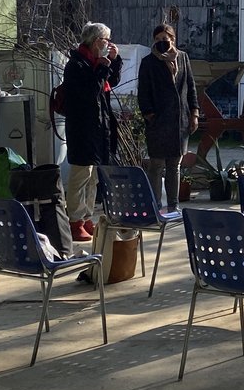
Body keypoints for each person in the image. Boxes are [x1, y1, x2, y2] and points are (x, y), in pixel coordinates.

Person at [63, 22, 124, 242]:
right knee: (80, 176)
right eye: (104, 40)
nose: (108, 44)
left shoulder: (95, 63)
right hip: (82, 128)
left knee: (92, 178)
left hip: (98, 128)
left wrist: (113, 63)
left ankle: (87, 217)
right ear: (94, 41)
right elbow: (91, 92)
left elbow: (111, 82)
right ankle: (75, 221)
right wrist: (102, 67)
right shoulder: (77, 64)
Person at [137, 24, 200, 211]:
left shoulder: (183, 57)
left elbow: (191, 86)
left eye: (165, 39)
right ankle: (155, 206)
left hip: (180, 121)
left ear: (173, 39)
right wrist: (149, 115)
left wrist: (194, 113)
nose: (162, 42)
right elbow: (143, 92)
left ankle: (173, 206)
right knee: (156, 165)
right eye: (158, 39)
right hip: (158, 121)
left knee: (175, 164)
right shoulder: (148, 62)